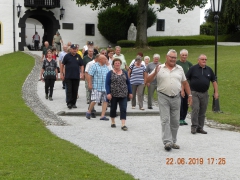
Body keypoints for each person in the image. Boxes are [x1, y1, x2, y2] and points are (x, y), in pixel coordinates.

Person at [146, 49, 192, 151]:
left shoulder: (179, 69)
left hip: (176, 97)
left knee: (175, 121)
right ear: (167, 57)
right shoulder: (159, 67)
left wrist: (190, 95)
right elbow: (147, 80)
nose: (173, 59)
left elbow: (185, 83)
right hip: (163, 96)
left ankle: (173, 141)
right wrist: (154, 73)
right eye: (171, 57)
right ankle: (167, 142)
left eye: (175, 57)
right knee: (165, 120)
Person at [186, 54, 218, 134]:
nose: (204, 61)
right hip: (194, 92)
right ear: (198, 60)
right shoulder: (193, 68)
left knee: (203, 111)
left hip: (204, 93)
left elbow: (214, 81)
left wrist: (216, 92)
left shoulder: (209, 70)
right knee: (195, 109)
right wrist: (185, 91)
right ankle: (194, 126)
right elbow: (185, 79)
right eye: (202, 59)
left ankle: (200, 127)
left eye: (205, 59)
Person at [105, 58, 133, 131]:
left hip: (123, 94)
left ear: (120, 64)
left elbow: (128, 83)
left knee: (123, 109)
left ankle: (123, 124)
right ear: (113, 64)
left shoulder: (124, 72)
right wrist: (108, 93)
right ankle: (113, 121)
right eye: (116, 63)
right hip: (113, 94)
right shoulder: (110, 73)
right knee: (113, 108)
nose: (117, 64)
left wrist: (130, 92)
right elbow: (107, 84)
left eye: (118, 63)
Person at [85, 55, 109, 120]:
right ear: (100, 60)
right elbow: (90, 75)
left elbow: (108, 76)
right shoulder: (94, 66)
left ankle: (102, 115)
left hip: (105, 87)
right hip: (96, 86)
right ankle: (89, 111)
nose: (106, 60)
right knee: (95, 100)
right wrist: (90, 83)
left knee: (105, 101)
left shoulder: (106, 67)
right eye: (105, 59)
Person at [60, 44, 84, 109]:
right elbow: (62, 64)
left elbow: (81, 65)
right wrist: (61, 73)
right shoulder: (67, 56)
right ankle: (69, 103)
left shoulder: (78, 56)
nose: (74, 50)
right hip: (68, 76)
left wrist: (82, 73)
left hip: (76, 76)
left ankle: (74, 103)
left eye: (75, 49)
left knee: (75, 90)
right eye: (73, 49)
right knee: (69, 90)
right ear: (70, 49)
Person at [176, 49, 193, 126]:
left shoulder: (189, 64)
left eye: (185, 55)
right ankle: (178, 118)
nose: (184, 56)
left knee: (186, 103)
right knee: (180, 102)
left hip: (187, 86)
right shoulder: (176, 63)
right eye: (183, 55)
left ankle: (183, 118)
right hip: (177, 86)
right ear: (180, 55)